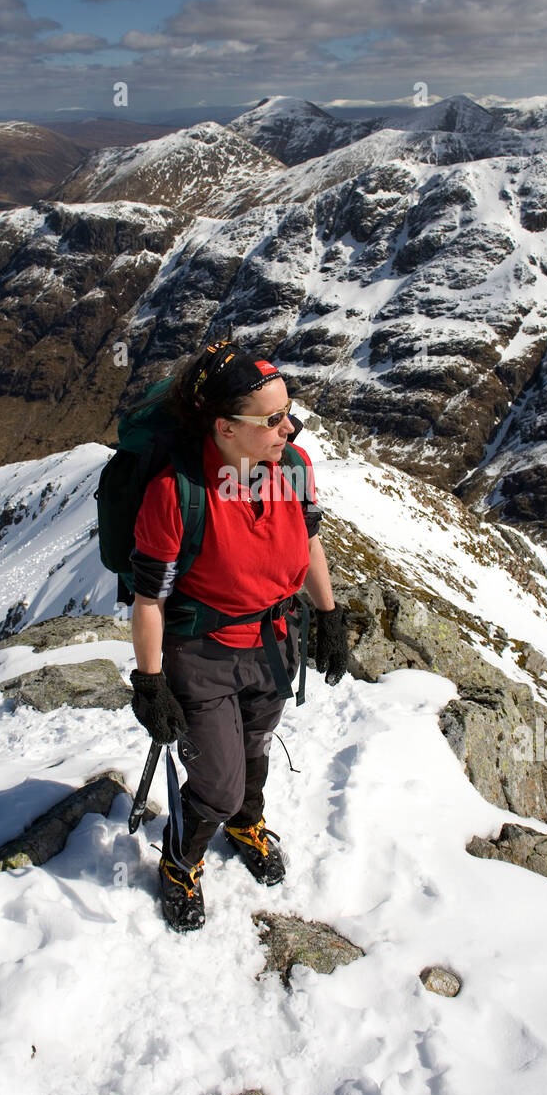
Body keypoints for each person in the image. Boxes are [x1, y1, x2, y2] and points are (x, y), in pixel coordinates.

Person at [127, 340, 349, 932]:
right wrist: (150, 684)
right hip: (201, 657)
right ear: (224, 428)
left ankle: (245, 821)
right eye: (272, 420)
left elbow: (309, 541)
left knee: (256, 743)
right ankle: (180, 858)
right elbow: (149, 599)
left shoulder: (292, 470)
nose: (290, 428)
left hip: (274, 644)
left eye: (289, 412)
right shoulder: (177, 494)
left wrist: (328, 615)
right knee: (218, 783)